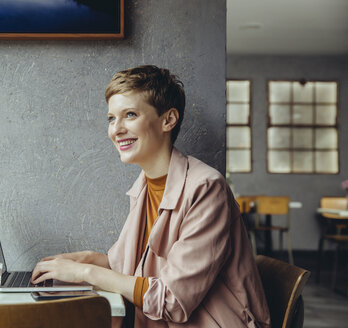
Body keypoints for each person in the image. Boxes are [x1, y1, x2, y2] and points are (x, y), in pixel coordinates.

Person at [32, 65, 270, 328]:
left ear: (168, 120)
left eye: (129, 115)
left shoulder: (207, 188)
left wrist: (86, 272)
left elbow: (172, 300)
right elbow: (132, 268)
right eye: (111, 118)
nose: (116, 129)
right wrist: (87, 258)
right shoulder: (145, 185)